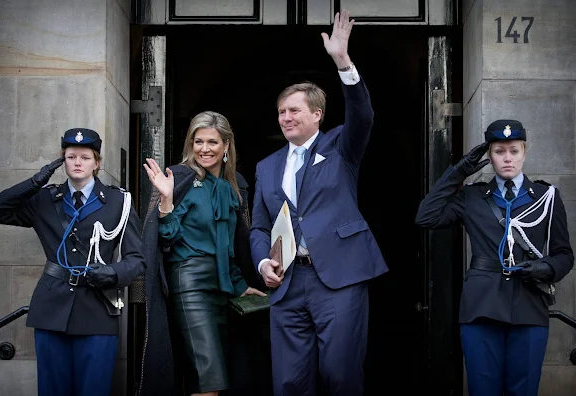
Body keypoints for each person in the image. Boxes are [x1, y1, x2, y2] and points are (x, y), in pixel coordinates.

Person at [249, 9, 389, 396]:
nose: (286, 117)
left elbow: (363, 114)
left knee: (341, 375)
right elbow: (259, 225)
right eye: (281, 112)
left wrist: (343, 61)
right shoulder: (266, 166)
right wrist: (263, 261)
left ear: (317, 114)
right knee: (289, 382)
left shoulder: (341, 146)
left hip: (339, 278)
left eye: (294, 110)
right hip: (288, 283)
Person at [415, 119, 574, 396]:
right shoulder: (472, 196)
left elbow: (564, 255)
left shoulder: (547, 196)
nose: (507, 158)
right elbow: (425, 217)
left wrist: (546, 267)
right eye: (499, 151)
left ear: (524, 152)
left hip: (529, 305)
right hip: (481, 307)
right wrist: (459, 171)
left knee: (523, 390)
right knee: (482, 389)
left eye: (514, 150)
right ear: (489, 156)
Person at [0, 128, 146, 396]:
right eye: (71, 157)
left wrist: (113, 273)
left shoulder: (119, 201)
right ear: (63, 161)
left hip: (98, 310)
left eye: (85, 156)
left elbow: (137, 259)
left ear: (96, 162)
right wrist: (35, 182)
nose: (77, 162)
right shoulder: (44, 198)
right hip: (51, 310)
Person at [139, 110, 266, 396]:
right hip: (191, 285)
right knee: (210, 381)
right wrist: (166, 200)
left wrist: (239, 284)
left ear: (226, 146)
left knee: (213, 379)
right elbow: (166, 238)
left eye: (212, 142)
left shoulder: (234, 186)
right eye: (198, 142)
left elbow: (230, 246)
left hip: (221, 289)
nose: (204, 149)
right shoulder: (179, 178)